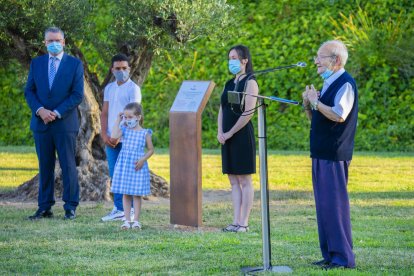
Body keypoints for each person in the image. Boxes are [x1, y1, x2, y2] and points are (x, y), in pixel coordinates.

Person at [302, 40, 358, 269]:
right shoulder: (328, 83)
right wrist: (308, 104)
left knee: (334, 206)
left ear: (335, 60)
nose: (316, 61)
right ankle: (329, 254)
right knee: (324, 206)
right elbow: (317, 118)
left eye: (320, 57)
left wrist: (316, 102)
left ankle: (342, 258)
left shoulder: (345, 83)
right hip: (320, 153)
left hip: (334, 154)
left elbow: (338, 115)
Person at [24, 27, 84, 220]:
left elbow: (77, 95)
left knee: (68, 166)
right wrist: (40, 110)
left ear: (64, 42)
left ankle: (70, 206)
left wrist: (56, 112)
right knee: (45, 166)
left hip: (65, 124)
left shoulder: (75, 65)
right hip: (41, 124)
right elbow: (29, 91)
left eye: (57, 40)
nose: (54, 43)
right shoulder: (37, 63)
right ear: (45, 43)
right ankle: (44, 207)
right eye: (50, 41)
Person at [218, 45, 259, 233]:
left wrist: (231, 132)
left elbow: (248, 112)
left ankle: (244, 222)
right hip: (226, 137)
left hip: (241, 135)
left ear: (244, 60)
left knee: (244, 180)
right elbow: (222, 108)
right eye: (229, 58)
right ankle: (235, 221)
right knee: (233, 181)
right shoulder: (228, 83)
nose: (231, 61)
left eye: (234, 58)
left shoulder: (250, 82)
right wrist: (221, 131)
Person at [100, 54, 142, 222]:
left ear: (129, 69)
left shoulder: (133, 89)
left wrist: (119, 135)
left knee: (128, 173)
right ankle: (118, 208)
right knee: (115, 173)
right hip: (111, 138)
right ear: (112, 70)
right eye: (118, 68)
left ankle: (130, 210)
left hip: (127, 138)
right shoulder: (109, 88)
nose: (121, 71)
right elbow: (104, 113)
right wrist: (105, 134)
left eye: (124, 68)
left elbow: (132, 114)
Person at [110, 103, 154, 229]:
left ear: (138, 117)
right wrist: (119, 119)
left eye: (130, 117)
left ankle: (136, 221)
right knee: (126, 193)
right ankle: (127, 220)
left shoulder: (145, 133)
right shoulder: (124, 130)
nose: (128, 120)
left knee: (136, 194)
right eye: (126, 117)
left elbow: (151, 150)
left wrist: (142, 159)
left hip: (137, 166)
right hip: (125, 166)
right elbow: (113, 136)